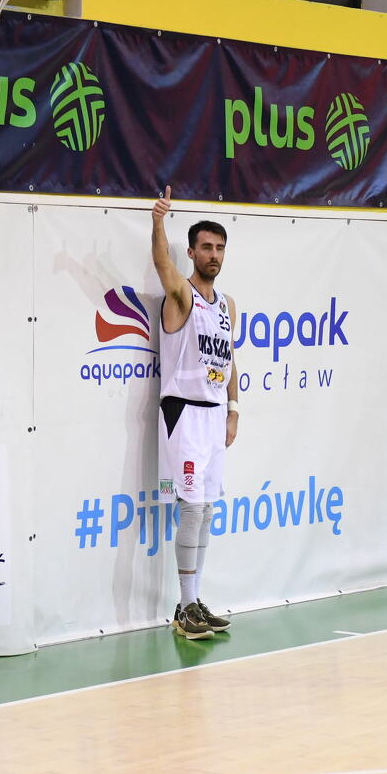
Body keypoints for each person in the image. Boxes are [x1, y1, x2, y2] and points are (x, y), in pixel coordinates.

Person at [151, 185, 238, 640]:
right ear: (191, 252)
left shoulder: (227, 305)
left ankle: (194, 601)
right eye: (206, 247)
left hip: (214, 414)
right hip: (183, 412)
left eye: (219, 248)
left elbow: (230, 358)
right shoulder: (181, 295)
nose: (214, 255)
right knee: (192, 509)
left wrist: (234, 410)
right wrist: (158, 222)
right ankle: (185, 609)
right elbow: (162, 266)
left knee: (206, 513)